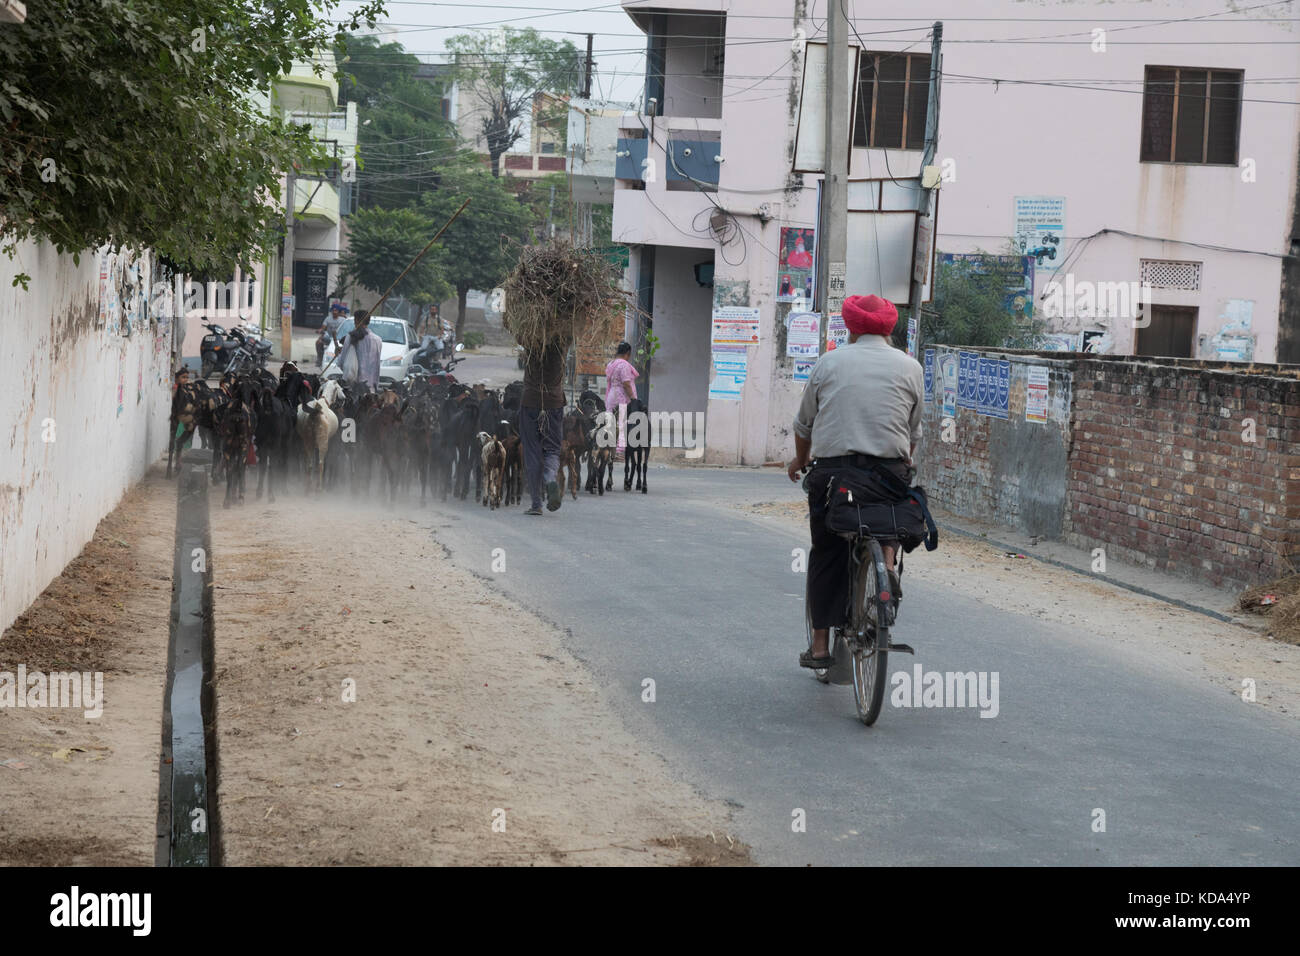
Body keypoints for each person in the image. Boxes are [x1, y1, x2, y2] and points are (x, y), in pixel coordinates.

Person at [787, 294, 923, 669]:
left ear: (850, 327)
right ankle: (888, 568)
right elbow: (913, 433)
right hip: (889, 472)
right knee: (889, 518)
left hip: (836, 475)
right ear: (889, 327)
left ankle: (818, 648)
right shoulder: (911, 367)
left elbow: (804, 425)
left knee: (827, 549)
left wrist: (800, 460)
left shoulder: (830, 363)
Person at [519, 333, 572, 515]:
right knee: (552, 450)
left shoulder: (530, 338)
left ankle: (536, 505)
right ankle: (550, 479)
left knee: (532, 452)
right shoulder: (562, 342)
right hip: (553, 402)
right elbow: (572, 328)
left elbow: (517, 331)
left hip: (531, 401)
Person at [604, 341, 639, 462]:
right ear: (627, 354)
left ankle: (608, 450)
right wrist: (633, 398)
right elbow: (626, 383)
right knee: (622, 424)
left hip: (611, 396)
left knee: (610, 423)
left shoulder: (611, 364)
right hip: (621, 397)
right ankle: (619, 452)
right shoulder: (623, 365)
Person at [333, 309, 382, 393]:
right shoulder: (378, 340)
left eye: (355, 320)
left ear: (356, 320)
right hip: (371, 388)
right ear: (368, 322)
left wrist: (338, 354)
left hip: (354, 388)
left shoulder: (350, 336)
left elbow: (342, 362)